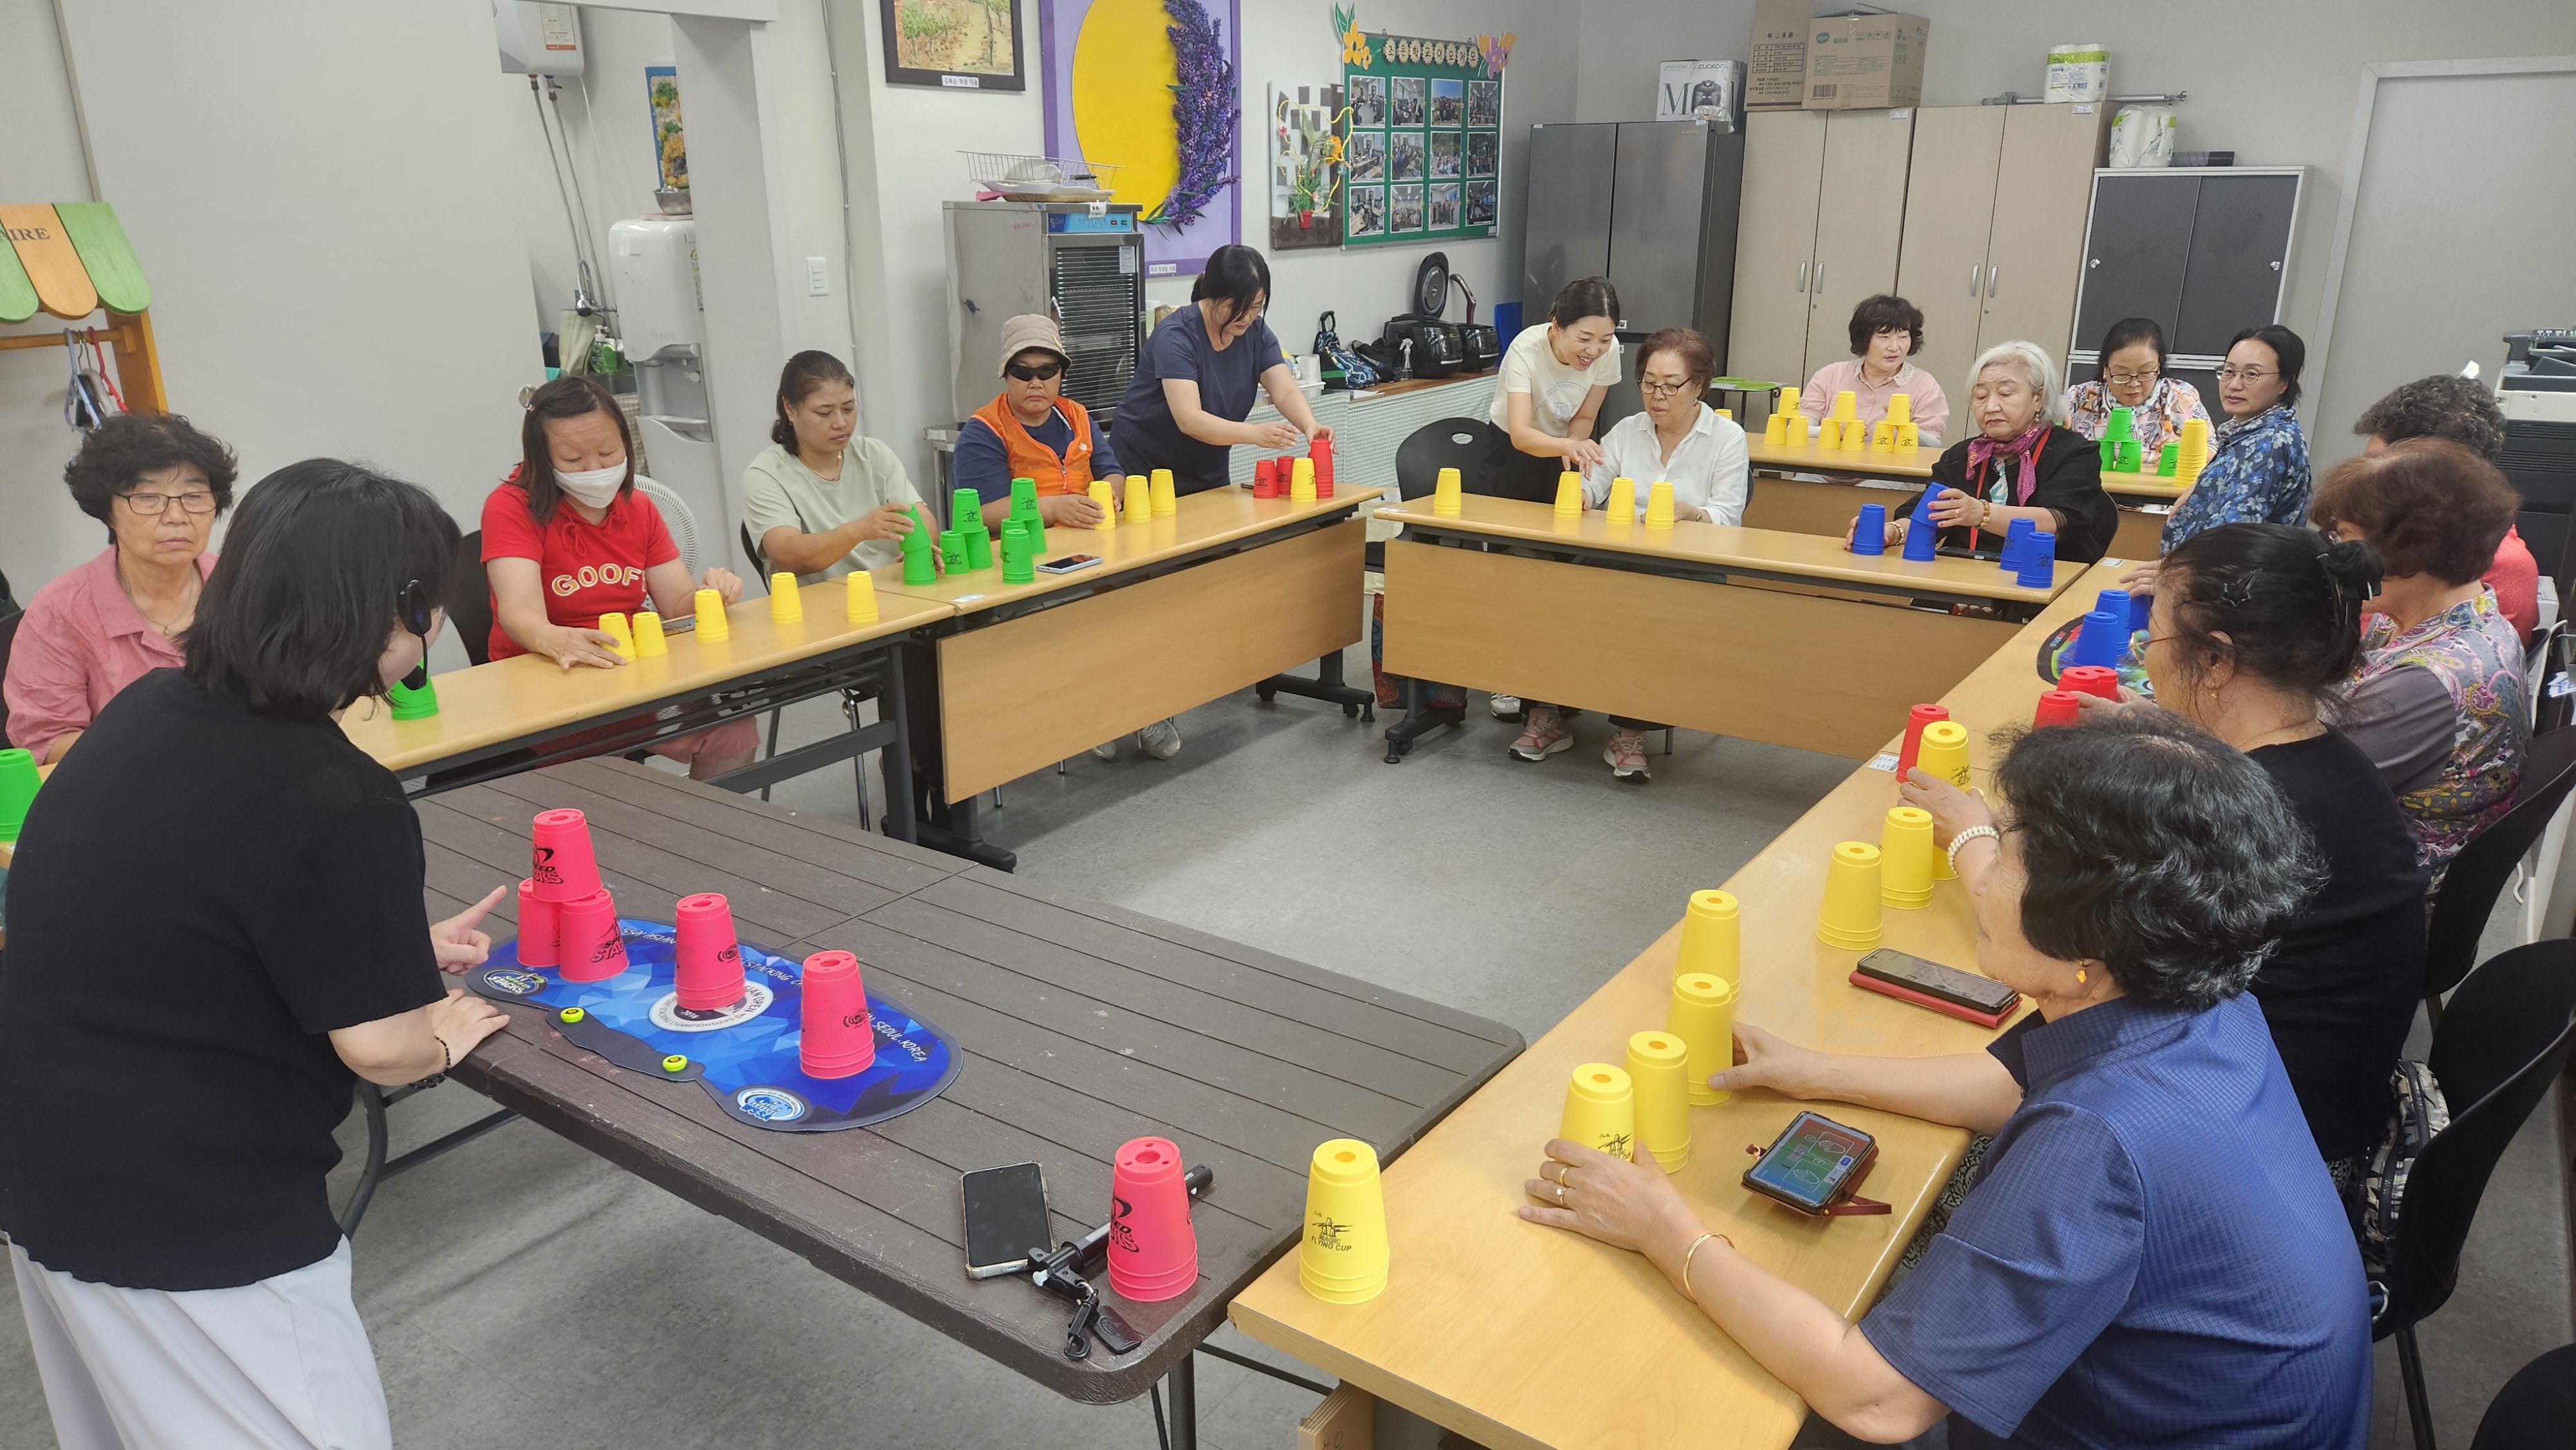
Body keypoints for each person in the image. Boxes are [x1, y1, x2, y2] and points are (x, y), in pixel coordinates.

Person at [1523, 714, 2371, 1447]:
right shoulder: (2203, 993)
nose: (1983, 876)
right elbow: (2012, 1089)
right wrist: (1812, 1070)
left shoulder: (2098, 1141)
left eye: (2007, 859)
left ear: (2087, 942)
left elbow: (1878, 1401)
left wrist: (1664, 1227)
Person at [1, 459, 515, 1450]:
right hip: (190, 1218)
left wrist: (376, 951)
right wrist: (439, 1034)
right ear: (398, 616)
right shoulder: (338, 798)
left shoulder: (145, 713)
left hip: (46, 1172)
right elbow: (382, 1049)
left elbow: (182, 915)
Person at [2020, 524, 2427, 1176]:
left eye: (2151, 638)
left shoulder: (2230, 817)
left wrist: (1973, 839)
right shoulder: (2332, 764)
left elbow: (2057, 978)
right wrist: (2160, 723)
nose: (2145, 657)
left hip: (2257, 1151)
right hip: (2309, 1105)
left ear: (2215, 660)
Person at [484, 375, 758, 780]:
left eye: (608, 453)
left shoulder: (639, 507)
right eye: (572, 460)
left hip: (632, 674)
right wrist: (557, 640)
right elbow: (519, 611)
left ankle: (703, 820)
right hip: (550, 678)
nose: (595, 470)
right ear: (541, 458)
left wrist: (710, 597)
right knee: (590, 781)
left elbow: (677, 604)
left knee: (733, 731)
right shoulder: (511, 507)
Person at [1502, 328, 1743, 780]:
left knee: (1654, 607)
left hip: (1687, 567)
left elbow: (1729, 518)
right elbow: (1592, 483)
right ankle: (1548, 710)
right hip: (1617, 557)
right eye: (1648, 383)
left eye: (1670, 385)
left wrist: (1691, 513)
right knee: (1551, 588)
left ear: (1699, 386)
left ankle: (1632, 729)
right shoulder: (1628, 431)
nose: (1657, 396)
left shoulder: (1726, 438)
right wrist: (1582, 496)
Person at [2309, 438, 2528, 878]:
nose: (2334, 554)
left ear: (2410, 548)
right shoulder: (2457, 615)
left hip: (2369, 890)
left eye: (2346, 537)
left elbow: (2290, 786)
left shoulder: (2428, 680)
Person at [5, 413, 236, 764]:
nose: (176, 516)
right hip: (126, 784)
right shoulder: (59, 611)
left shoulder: (245, 585)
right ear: (108, 512)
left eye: (194, 495)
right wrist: (170, 747)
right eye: (148, 498)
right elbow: (47, 743)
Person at [1859, 341, 2117, 564]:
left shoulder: (2073, 452)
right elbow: (1930, 514)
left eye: (2005, 394)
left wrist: (1980, 513)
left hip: (2042, 580)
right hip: (1965, 580)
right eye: (1981, 396)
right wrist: (1894, 532)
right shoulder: (1964, 455)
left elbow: (2059, 522)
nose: (1991, 406)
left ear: (2038, 398)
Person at [1110, 244, 1332, 496]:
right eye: (1237, 307)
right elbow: (1189, 419)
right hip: (1145, 469)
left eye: (1256, 307)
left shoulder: (1256, 334)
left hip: (1206, 467)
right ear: (1212, 296)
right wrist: (1254, 433)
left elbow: (1284, 390)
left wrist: (1309, 425)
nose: (1246, 318)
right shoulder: (1176, 337)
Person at [2357, 372, 2537, 641]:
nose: (2359, 486)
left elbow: (2355, 648)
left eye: (2375, 473)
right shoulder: (2459, 536)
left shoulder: (2481, 563)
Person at [741, 350, 939, 581]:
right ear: (790, 409)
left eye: (848, 409)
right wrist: (858, 530)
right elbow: (785, 555)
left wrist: (919, 546)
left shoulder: (874, 454)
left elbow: (923, 519)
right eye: (824, 413)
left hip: (891, 589)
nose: (841, 423)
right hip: (821, 601)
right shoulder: (767, 473)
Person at [954, 314, 1116, 531]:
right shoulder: (984, 431)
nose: (1036, 383)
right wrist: (1054, 509)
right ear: (1005, 374)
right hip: (1017, 546)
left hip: (1087, 537)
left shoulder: (1077, 416)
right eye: (1023, 372)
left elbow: (1112, 472)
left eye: (1047, 371)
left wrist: (1111, 493)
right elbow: (982, 511)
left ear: (1061, 374)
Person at [2158, 325, 2312, 551]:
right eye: (2229, 371)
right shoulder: (2246, 433)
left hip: (2217, 570)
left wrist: (2169, 570)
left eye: (2251, 375)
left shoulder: (2271, 443)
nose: (2234, 384)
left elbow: (2232, 540)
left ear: (2284, 383)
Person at [1486, 276, 1625, 505]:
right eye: (1584, 339)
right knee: (1505, 522)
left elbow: (1585, 416)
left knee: (1561, 519)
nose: (1593, 351)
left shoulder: (1608, 353)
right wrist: (1569, 446)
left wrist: (1573, 447)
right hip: (1511, 452)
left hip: (1564, 448)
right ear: (1558, 326)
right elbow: (1520, 434)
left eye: (1605, 340)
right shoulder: (1525, 350)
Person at [1796, 294, 1950, 446]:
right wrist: (1835, 431)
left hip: (1891, 464)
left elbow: (1933, 444)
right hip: (1827, 463)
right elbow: (1797, 430)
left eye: (1903, 337)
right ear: (1863, 339)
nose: (1894, 347)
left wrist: (1906, 427)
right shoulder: (1830, 376)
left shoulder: (1925, 385)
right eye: (1884, 337)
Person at [2060, 315, 2208, 455]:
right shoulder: (2081, 397)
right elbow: (2051, 415)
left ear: (2159, 366)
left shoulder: (2180, 396)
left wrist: (2189, 449)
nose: (2134, 383)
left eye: (2145, 372)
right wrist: (2055, 418)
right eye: (2122, 374)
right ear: (2106, 370)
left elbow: (2212, 453)